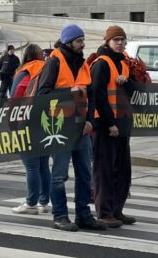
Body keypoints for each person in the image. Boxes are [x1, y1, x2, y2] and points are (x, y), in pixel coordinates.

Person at [35, 24, 104, 232]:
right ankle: (60, 215)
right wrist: (68, 91)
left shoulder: (82, 64)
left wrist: (90, 120)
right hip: (59, 127)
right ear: (68, 42)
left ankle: (83, 214)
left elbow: (90, 96)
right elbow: (42, 95)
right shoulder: (54, 62)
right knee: (59, 174)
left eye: (83, 40)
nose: (82, 44)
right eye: (79, 41)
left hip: (81, 127)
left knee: (84, 173)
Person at [89, 25, 136, 226]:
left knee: (122, 171)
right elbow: (97, 96)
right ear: (107, 42)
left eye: (122, 40)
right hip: (105, 126)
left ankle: (117, 210)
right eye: (115, 40)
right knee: (105, 170)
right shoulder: (102, 64)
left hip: (122, 123)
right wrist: (109, 124)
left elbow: (132, 91)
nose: (119, 43)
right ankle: (104, 212)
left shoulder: (123, 64)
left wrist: (127, 82)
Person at [9, 44, 51, 214]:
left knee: (31, 165)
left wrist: (12, 125)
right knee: (43, 165)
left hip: (26, 121)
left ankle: (31, 203)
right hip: (45, 121)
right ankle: (43, 202)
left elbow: (14, 98)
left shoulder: (24, 72)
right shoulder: (47, 69)